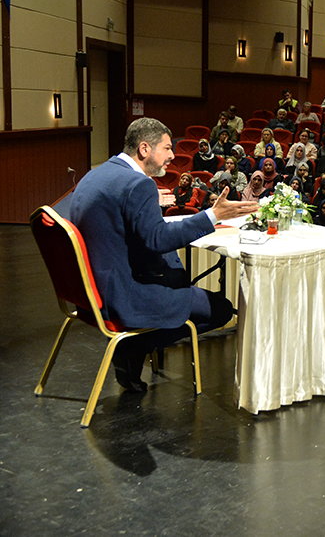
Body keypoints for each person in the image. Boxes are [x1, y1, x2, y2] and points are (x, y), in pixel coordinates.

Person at [68, 118, 259, 391]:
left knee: (175, 272)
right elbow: (159, 240)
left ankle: (135, 347)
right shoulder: (138, 185)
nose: (173, 155)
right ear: (144, 149)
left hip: (92, 290)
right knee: (222, 309)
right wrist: (212, 215)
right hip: (125, 295)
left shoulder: (96, 174)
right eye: (167, 148)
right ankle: (135, 344)